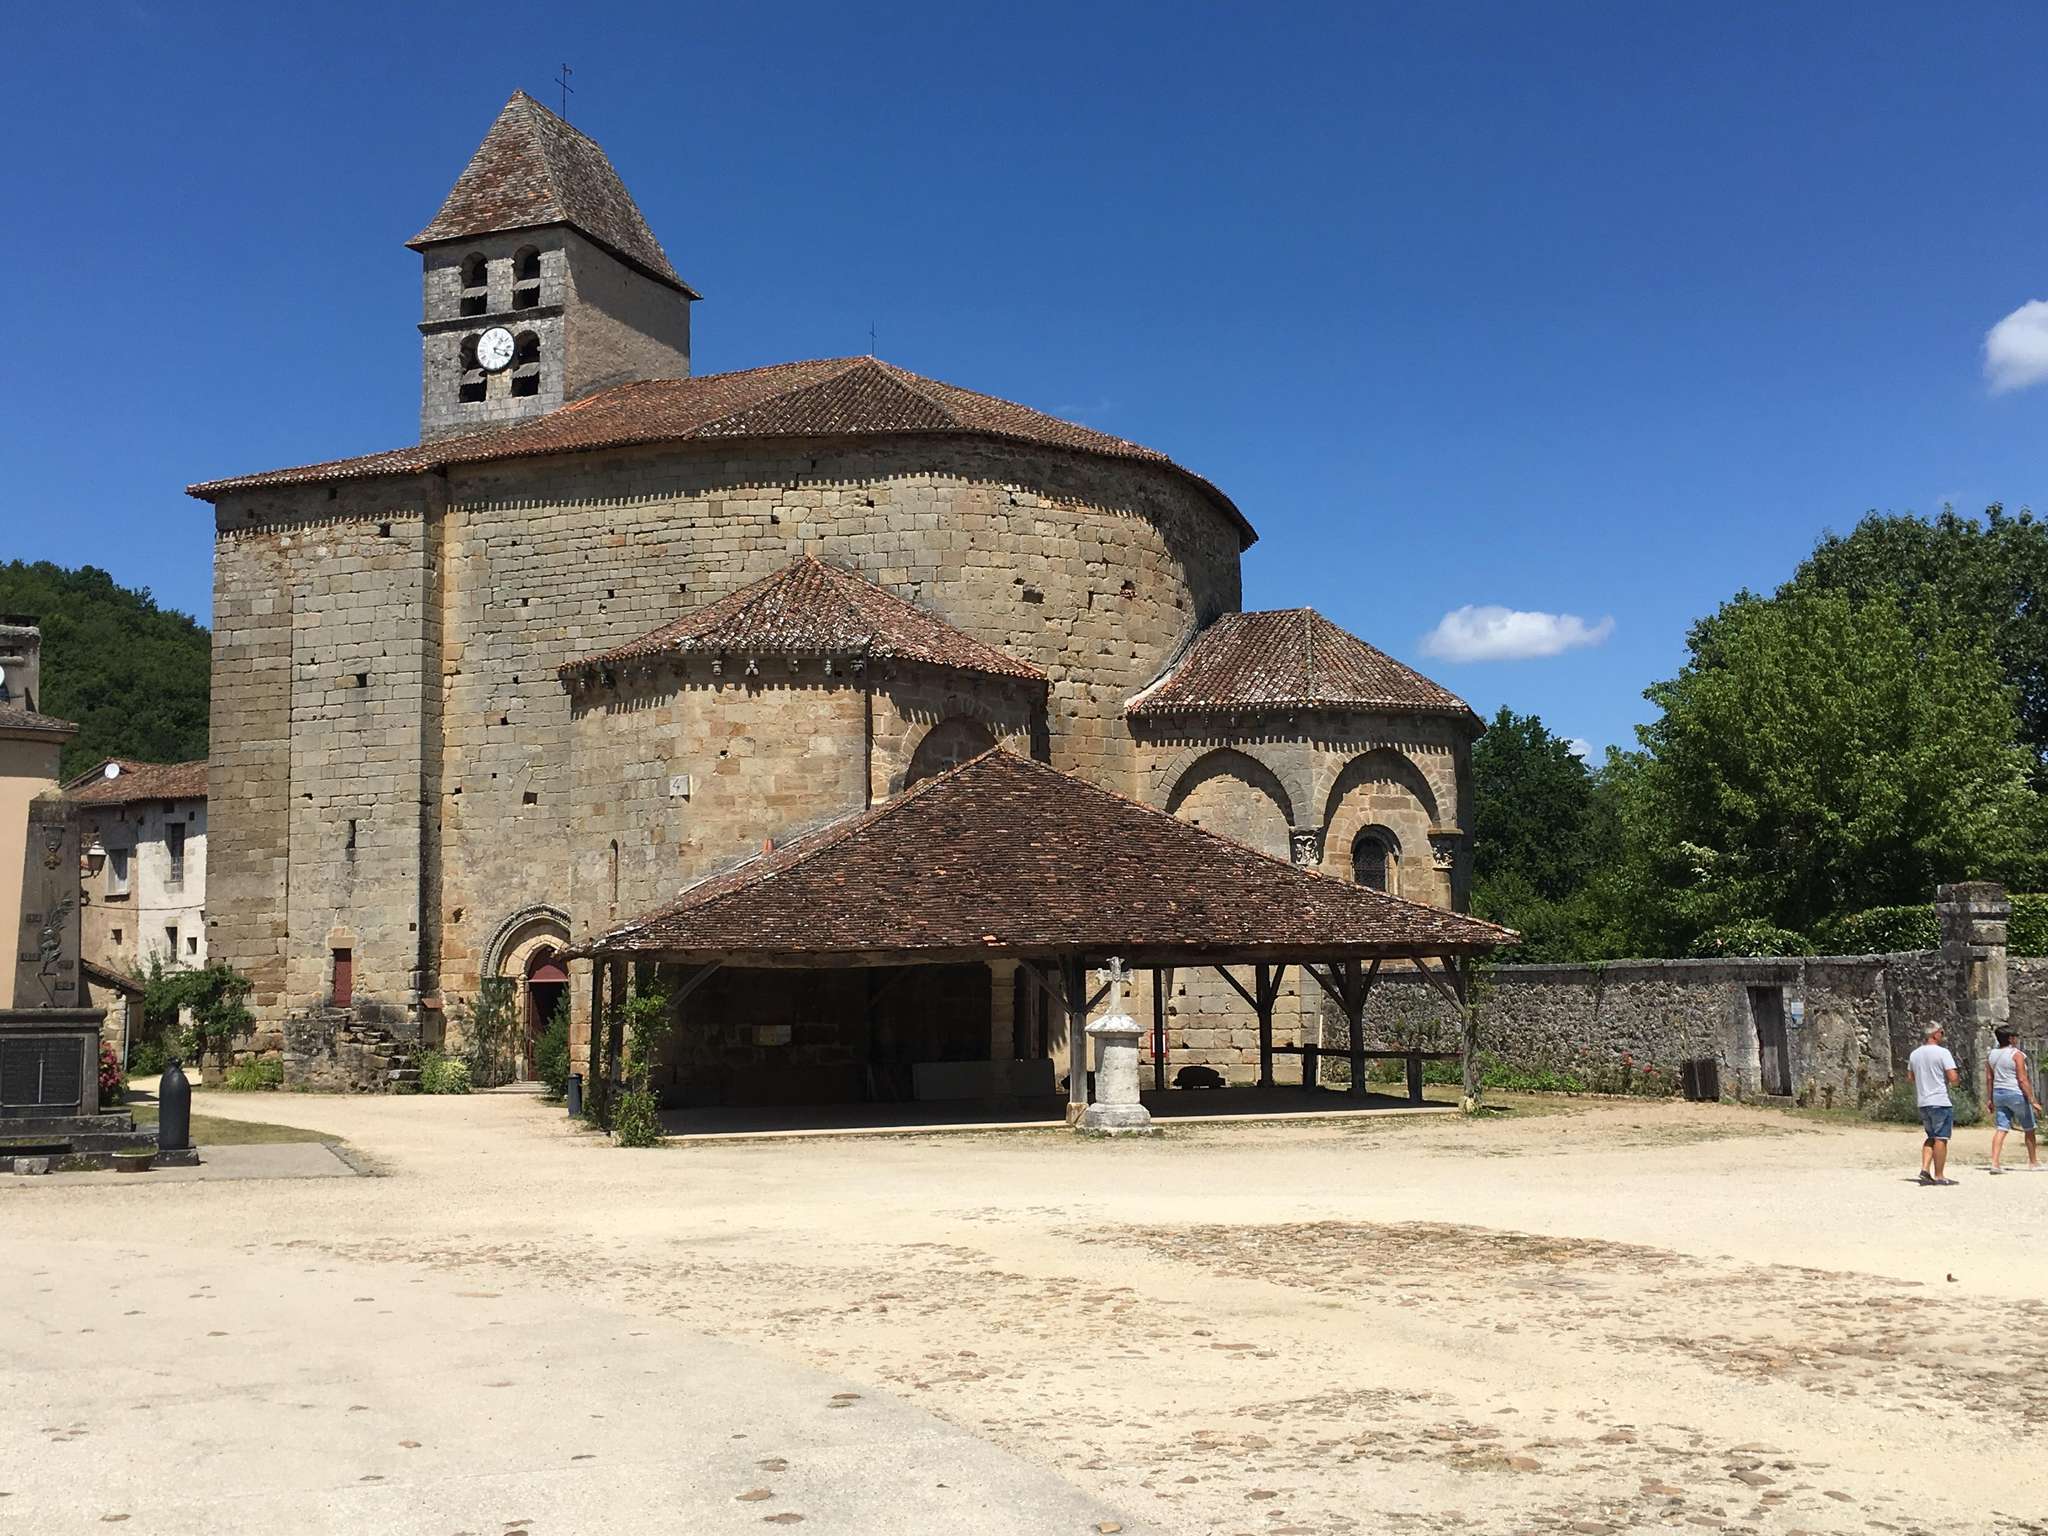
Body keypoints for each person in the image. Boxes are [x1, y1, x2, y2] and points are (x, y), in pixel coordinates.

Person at [1984, 1027, 2043, 1174]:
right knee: (2029, 1128)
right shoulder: (2017, 1054)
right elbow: (2022, 1079)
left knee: (2001, 1128)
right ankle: (2033, 1162)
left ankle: (1995, 1163)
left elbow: (1989, 1078)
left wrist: (1989, 1099)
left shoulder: (1991, 1055)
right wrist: (2032, 1100)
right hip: (2015, 1093)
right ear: (2010, 1039)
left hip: (1999, 1093)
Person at [1908, 1023, 1960, 1186]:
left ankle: (1925, 1169)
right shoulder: (1943, 1053)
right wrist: (1954, 1082)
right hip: (1939, 1100)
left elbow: (1910, 1077)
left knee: (1931, 1136)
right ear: (1935, 1034)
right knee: (1941, 1138)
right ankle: (1939, 1175)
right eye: (1942, 1032)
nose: (1943, 1035)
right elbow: (1953, 1077)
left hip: (1923, 1101)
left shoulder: (1915, 1054)